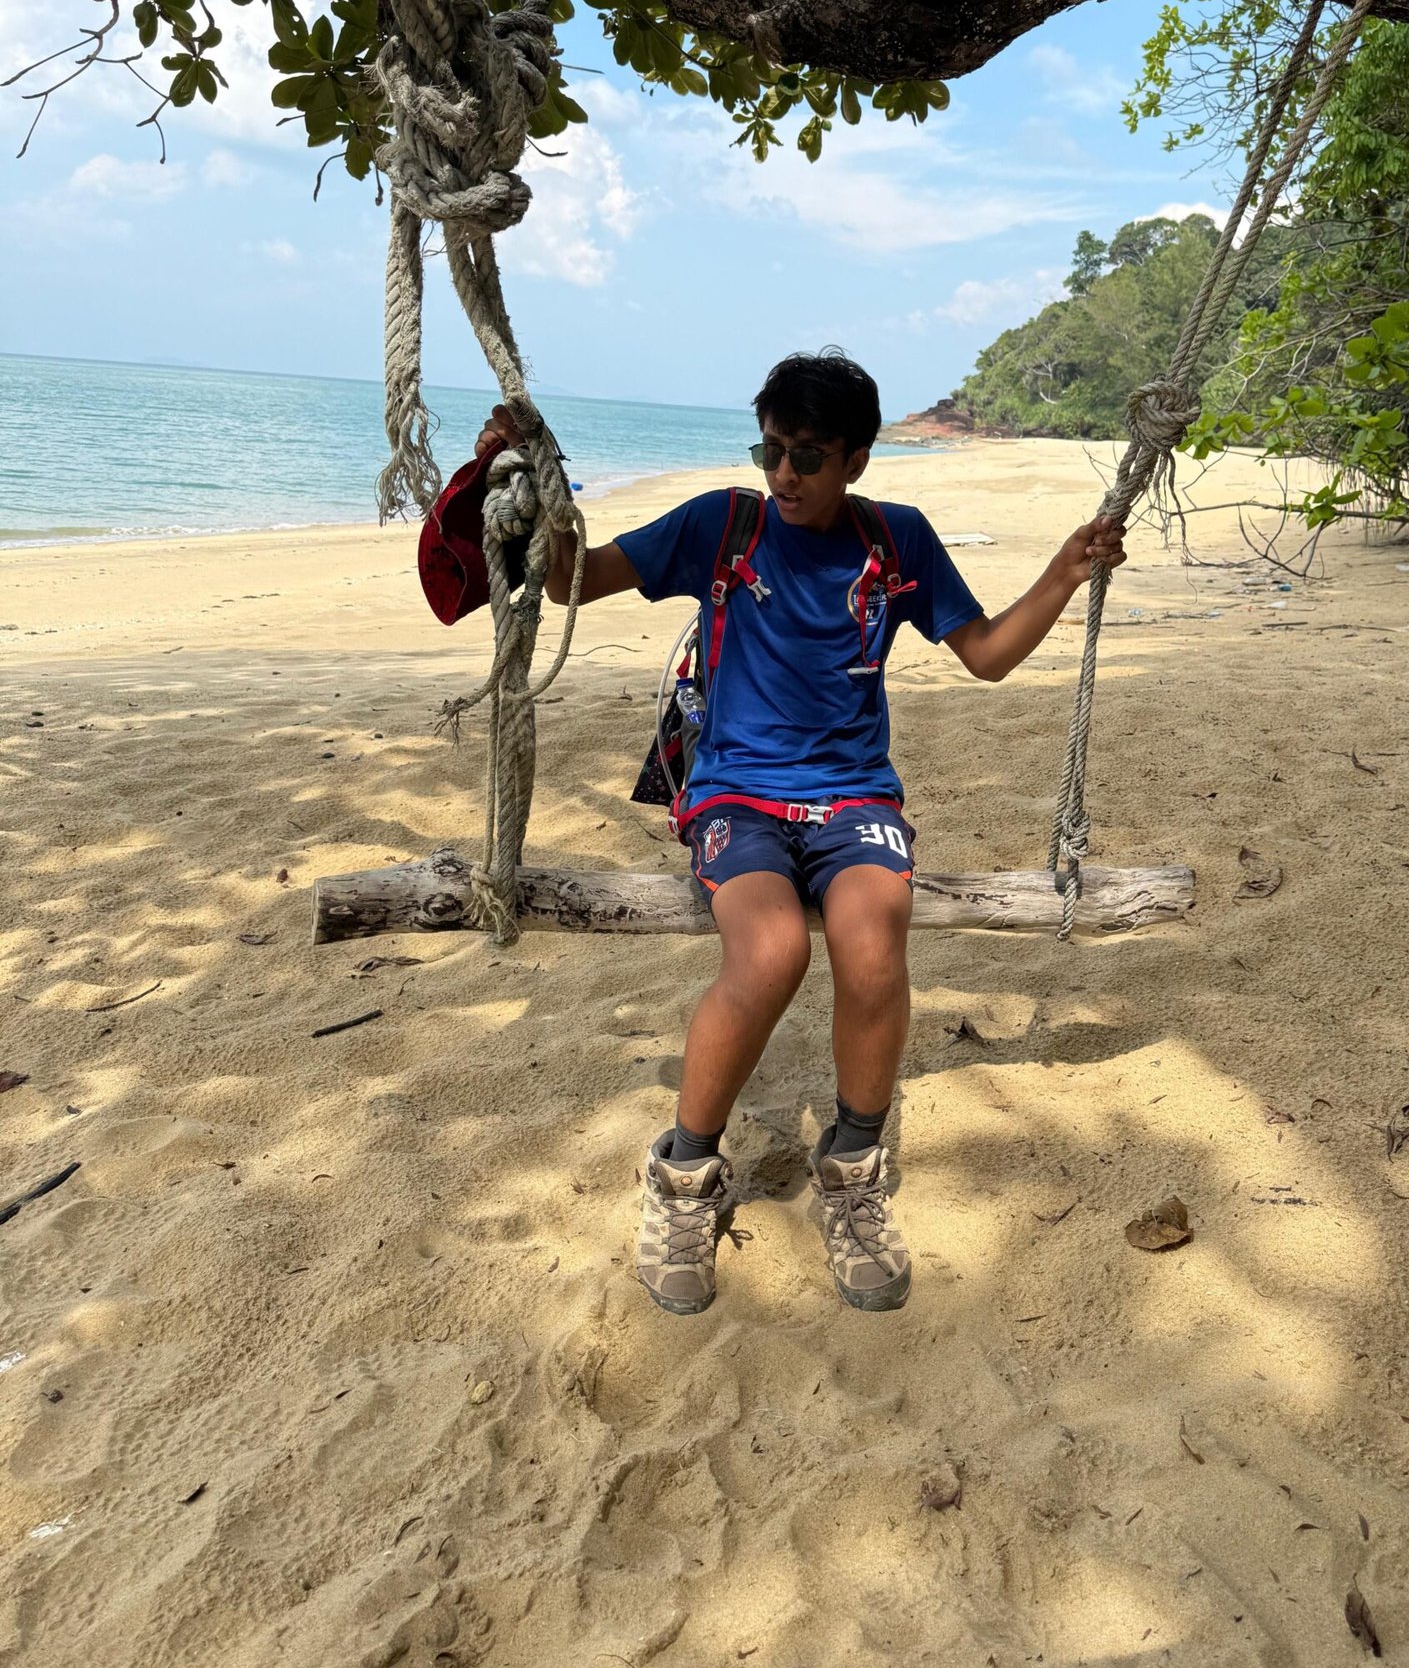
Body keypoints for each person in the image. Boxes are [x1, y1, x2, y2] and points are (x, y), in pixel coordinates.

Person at [418, 349, 1125, 1317]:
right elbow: (575, 579)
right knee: (772, 951)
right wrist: (529, 484)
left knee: (874, 944)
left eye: (808, 456)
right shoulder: (725, 524)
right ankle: (683, 1175)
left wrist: (1064, 571)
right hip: (736, 795)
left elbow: (989, 654)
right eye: (771, 450)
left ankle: (854, 1170)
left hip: (853, 798)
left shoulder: (897, 541)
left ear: (857, 460)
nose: (784, 474)